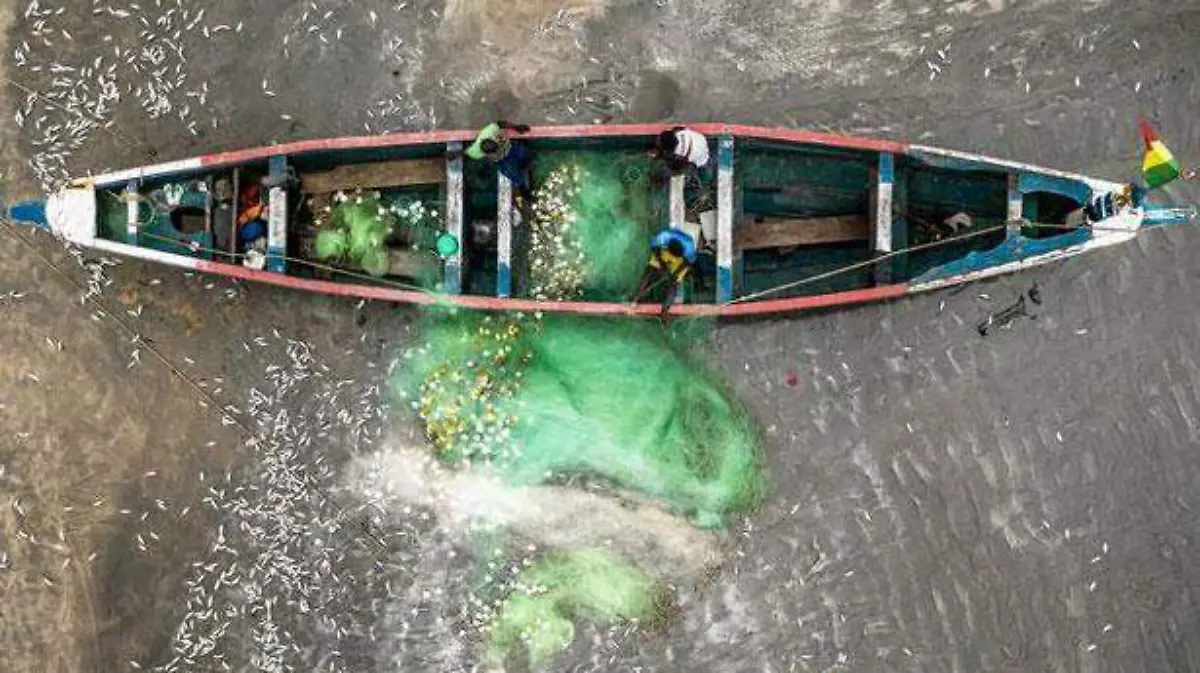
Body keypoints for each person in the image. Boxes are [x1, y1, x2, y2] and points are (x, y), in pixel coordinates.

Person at [632, 227, 699, 315]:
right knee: (649, 273)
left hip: (680, 261)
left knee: (674, 283)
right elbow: (655, 250)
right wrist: (663, 266)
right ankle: (635, 298)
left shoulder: (689, 248)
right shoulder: (662, 237)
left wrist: (675, 273)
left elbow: (688, 263)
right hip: (662, 254)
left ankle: (665, 310)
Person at [465, 120, 535, 203]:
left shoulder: (489, 131)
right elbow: (465, 153)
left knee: (525, 154)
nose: (497, 150)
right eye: (494, 151)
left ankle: (526, 164)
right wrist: (454, 155)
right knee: (514, 176)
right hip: (502, 161)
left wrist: (516, 127)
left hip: (510, 148)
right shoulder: (475, 152)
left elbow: (500, 123)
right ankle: (524, 192)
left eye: (496, 147)